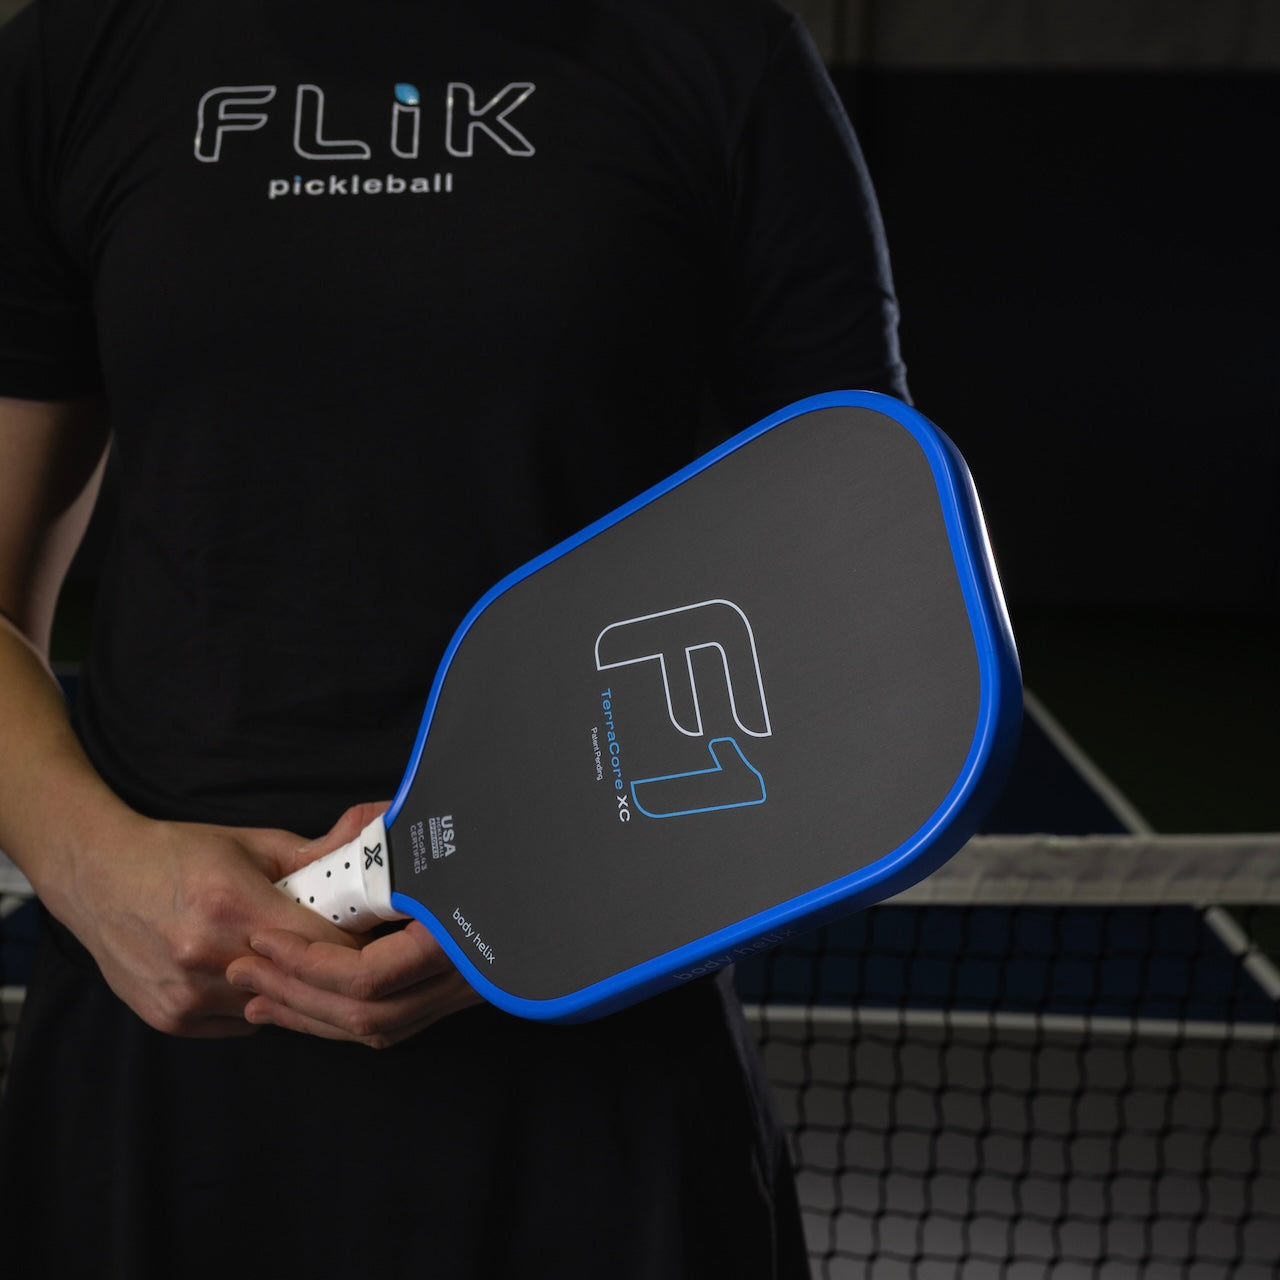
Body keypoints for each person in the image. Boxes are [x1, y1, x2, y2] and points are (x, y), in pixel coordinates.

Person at [0, 0, 908, 1274]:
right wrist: (97, 871)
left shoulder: (714, 50)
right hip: (160, 1041)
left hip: (597, 1050)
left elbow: (866, 592)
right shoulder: (82, 54)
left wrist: (554, 894)